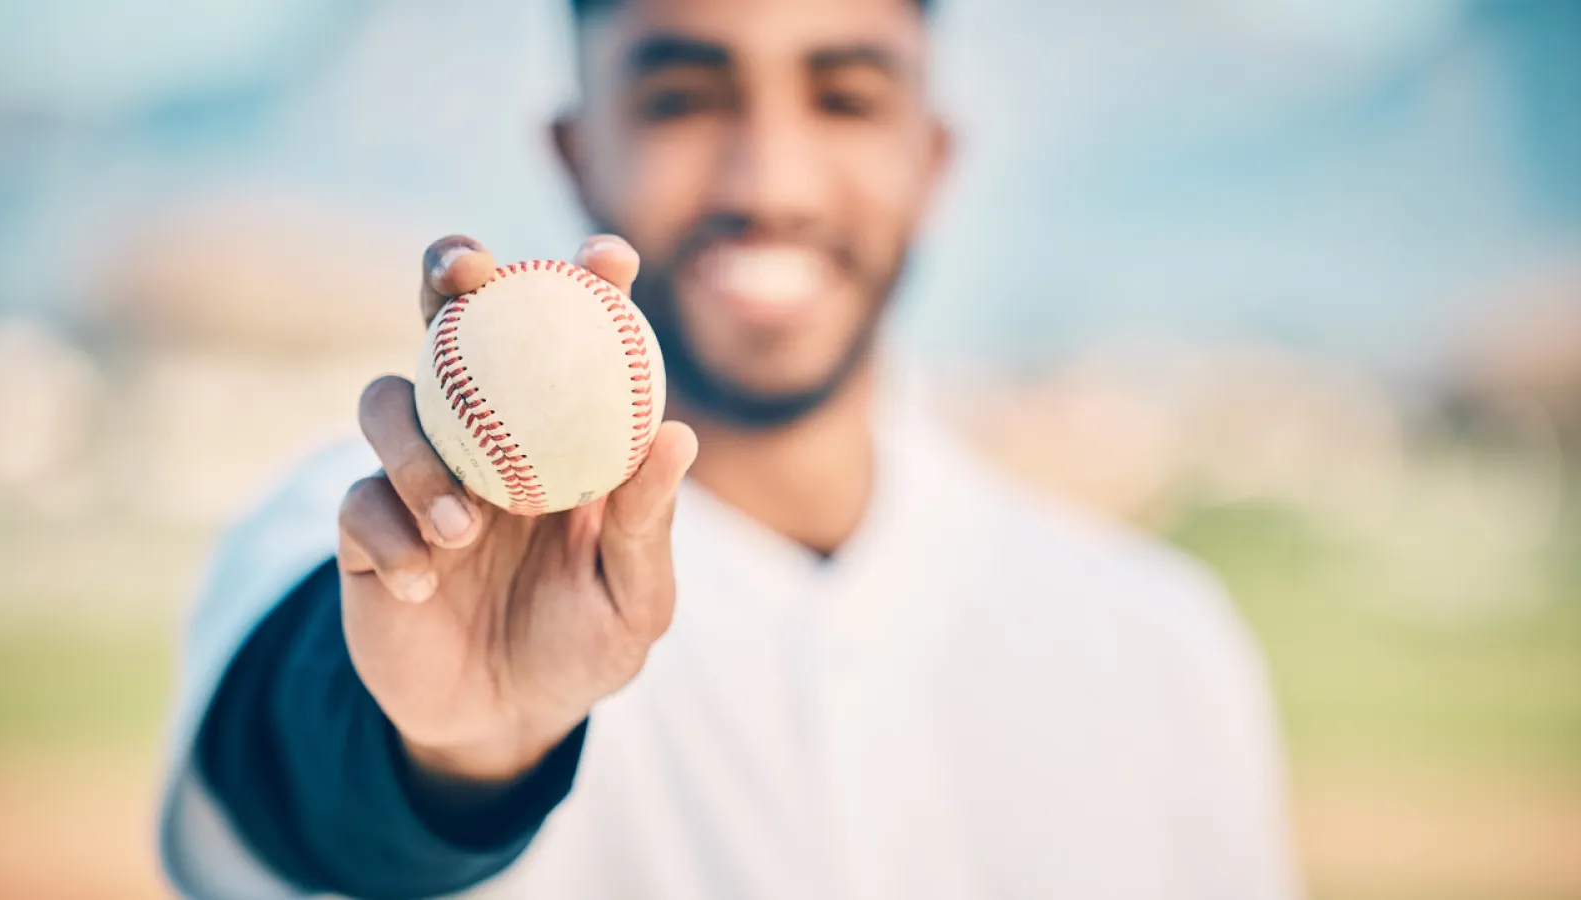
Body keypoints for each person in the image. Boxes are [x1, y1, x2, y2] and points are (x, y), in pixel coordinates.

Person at [159, 0, 1299, 897]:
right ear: (574, 153)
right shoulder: (387, 527)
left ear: (934, 159)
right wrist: (456, 758)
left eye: (844, 96)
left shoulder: (1161, 640)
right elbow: (302, 779)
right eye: (684, 97)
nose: (769, 180)